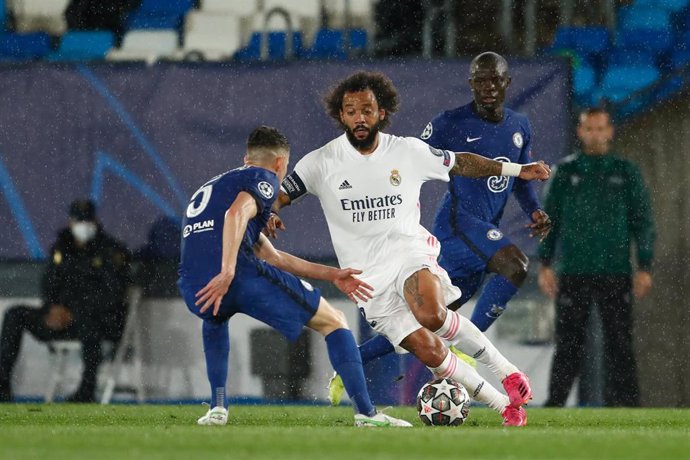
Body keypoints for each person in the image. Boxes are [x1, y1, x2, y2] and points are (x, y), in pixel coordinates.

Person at [272, 71, 551, 426]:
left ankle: (509, 372)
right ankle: (504, 406)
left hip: (409, 253)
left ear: (382, 113)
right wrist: (269, 213)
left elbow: (461, 161)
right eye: (351, 111)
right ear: (341, 116)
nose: (360, 118)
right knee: (432, 350)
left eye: (367, 110)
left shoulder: (407, 151)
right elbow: (279, 195)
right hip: (366, 280)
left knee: (432, 313)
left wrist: (516, 169)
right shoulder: (319, 163)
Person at [177, 125, 411, 427]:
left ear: (246, 156)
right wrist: (228, 271)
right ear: (279, 163)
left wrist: (333, 274)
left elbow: (273, 257)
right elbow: (235, 215)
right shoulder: (264, 179)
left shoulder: (213, 187)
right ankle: (366, 414)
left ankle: (217, 408)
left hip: (194, 283)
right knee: (335, 321)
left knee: (215, 317)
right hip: (232, 276)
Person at [349, 52, 553, 371]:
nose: (488, 87)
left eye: (495, 79)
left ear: (507, 83)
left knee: (428, 319)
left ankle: (351, 360)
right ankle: (468, 354)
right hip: (458, 227)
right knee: (515, 265)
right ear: (471, 84)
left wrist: (534, 211)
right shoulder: (450, 122)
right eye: (480, 80)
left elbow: (520, 178)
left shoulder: (520, 126)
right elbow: (410, 158)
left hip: (482, 229)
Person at [538, 107, 655, 407]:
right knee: (568, 345)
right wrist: (545, 264)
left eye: (600, 128)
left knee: (620, 344)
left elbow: (642, 221)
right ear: (580, 131)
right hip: (574, 271)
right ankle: (555, 406)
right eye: (589, 128)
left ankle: (629, 410)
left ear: (610, 131)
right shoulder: (565, 171)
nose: (595, 134)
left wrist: (644, 265)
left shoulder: (625, 172)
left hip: (615, 272)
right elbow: (548, 220)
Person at [0, 199, 131, 403]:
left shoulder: (110, 251)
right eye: (79, 220)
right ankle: (2, 387)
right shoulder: (61, 248)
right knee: (14, 314)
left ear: (96, 220)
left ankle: (86, 390)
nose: (84, 226)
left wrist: (74, 312)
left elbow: (111, 295)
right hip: (60, 319)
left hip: (96, 323)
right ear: (71, 222)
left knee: (90, 321)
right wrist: (53, 308)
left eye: (88, 220)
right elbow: (49, 284)